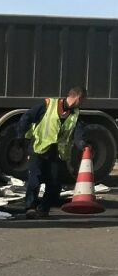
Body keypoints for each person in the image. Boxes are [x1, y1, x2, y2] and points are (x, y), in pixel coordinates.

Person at [17, 86, 87, 219]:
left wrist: (83, 145)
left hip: (57, 153)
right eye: (82, 100)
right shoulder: (47, 105)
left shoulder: (75, 114)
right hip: (39, 148)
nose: (82, 103)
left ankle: (44, 209)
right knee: (34, 180)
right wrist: (20, 136)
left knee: (54, 183)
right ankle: (30, 208)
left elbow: (79, 133)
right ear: (78, 97)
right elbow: (27, 117)